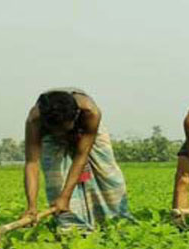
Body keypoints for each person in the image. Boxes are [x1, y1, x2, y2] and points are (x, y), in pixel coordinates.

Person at [23, 88, 132, 230]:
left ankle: (117, 223)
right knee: (57, 183)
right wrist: (31, 206)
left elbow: (81, 155)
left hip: (85, 130)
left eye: (63, 130)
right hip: (50, 138)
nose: (60, 134)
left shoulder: (90, 112)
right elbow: (32, 163)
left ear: (75, 116)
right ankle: (73, 230)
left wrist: (65, 196)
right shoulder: (35, 119)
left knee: (108, 178)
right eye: (56, 130)